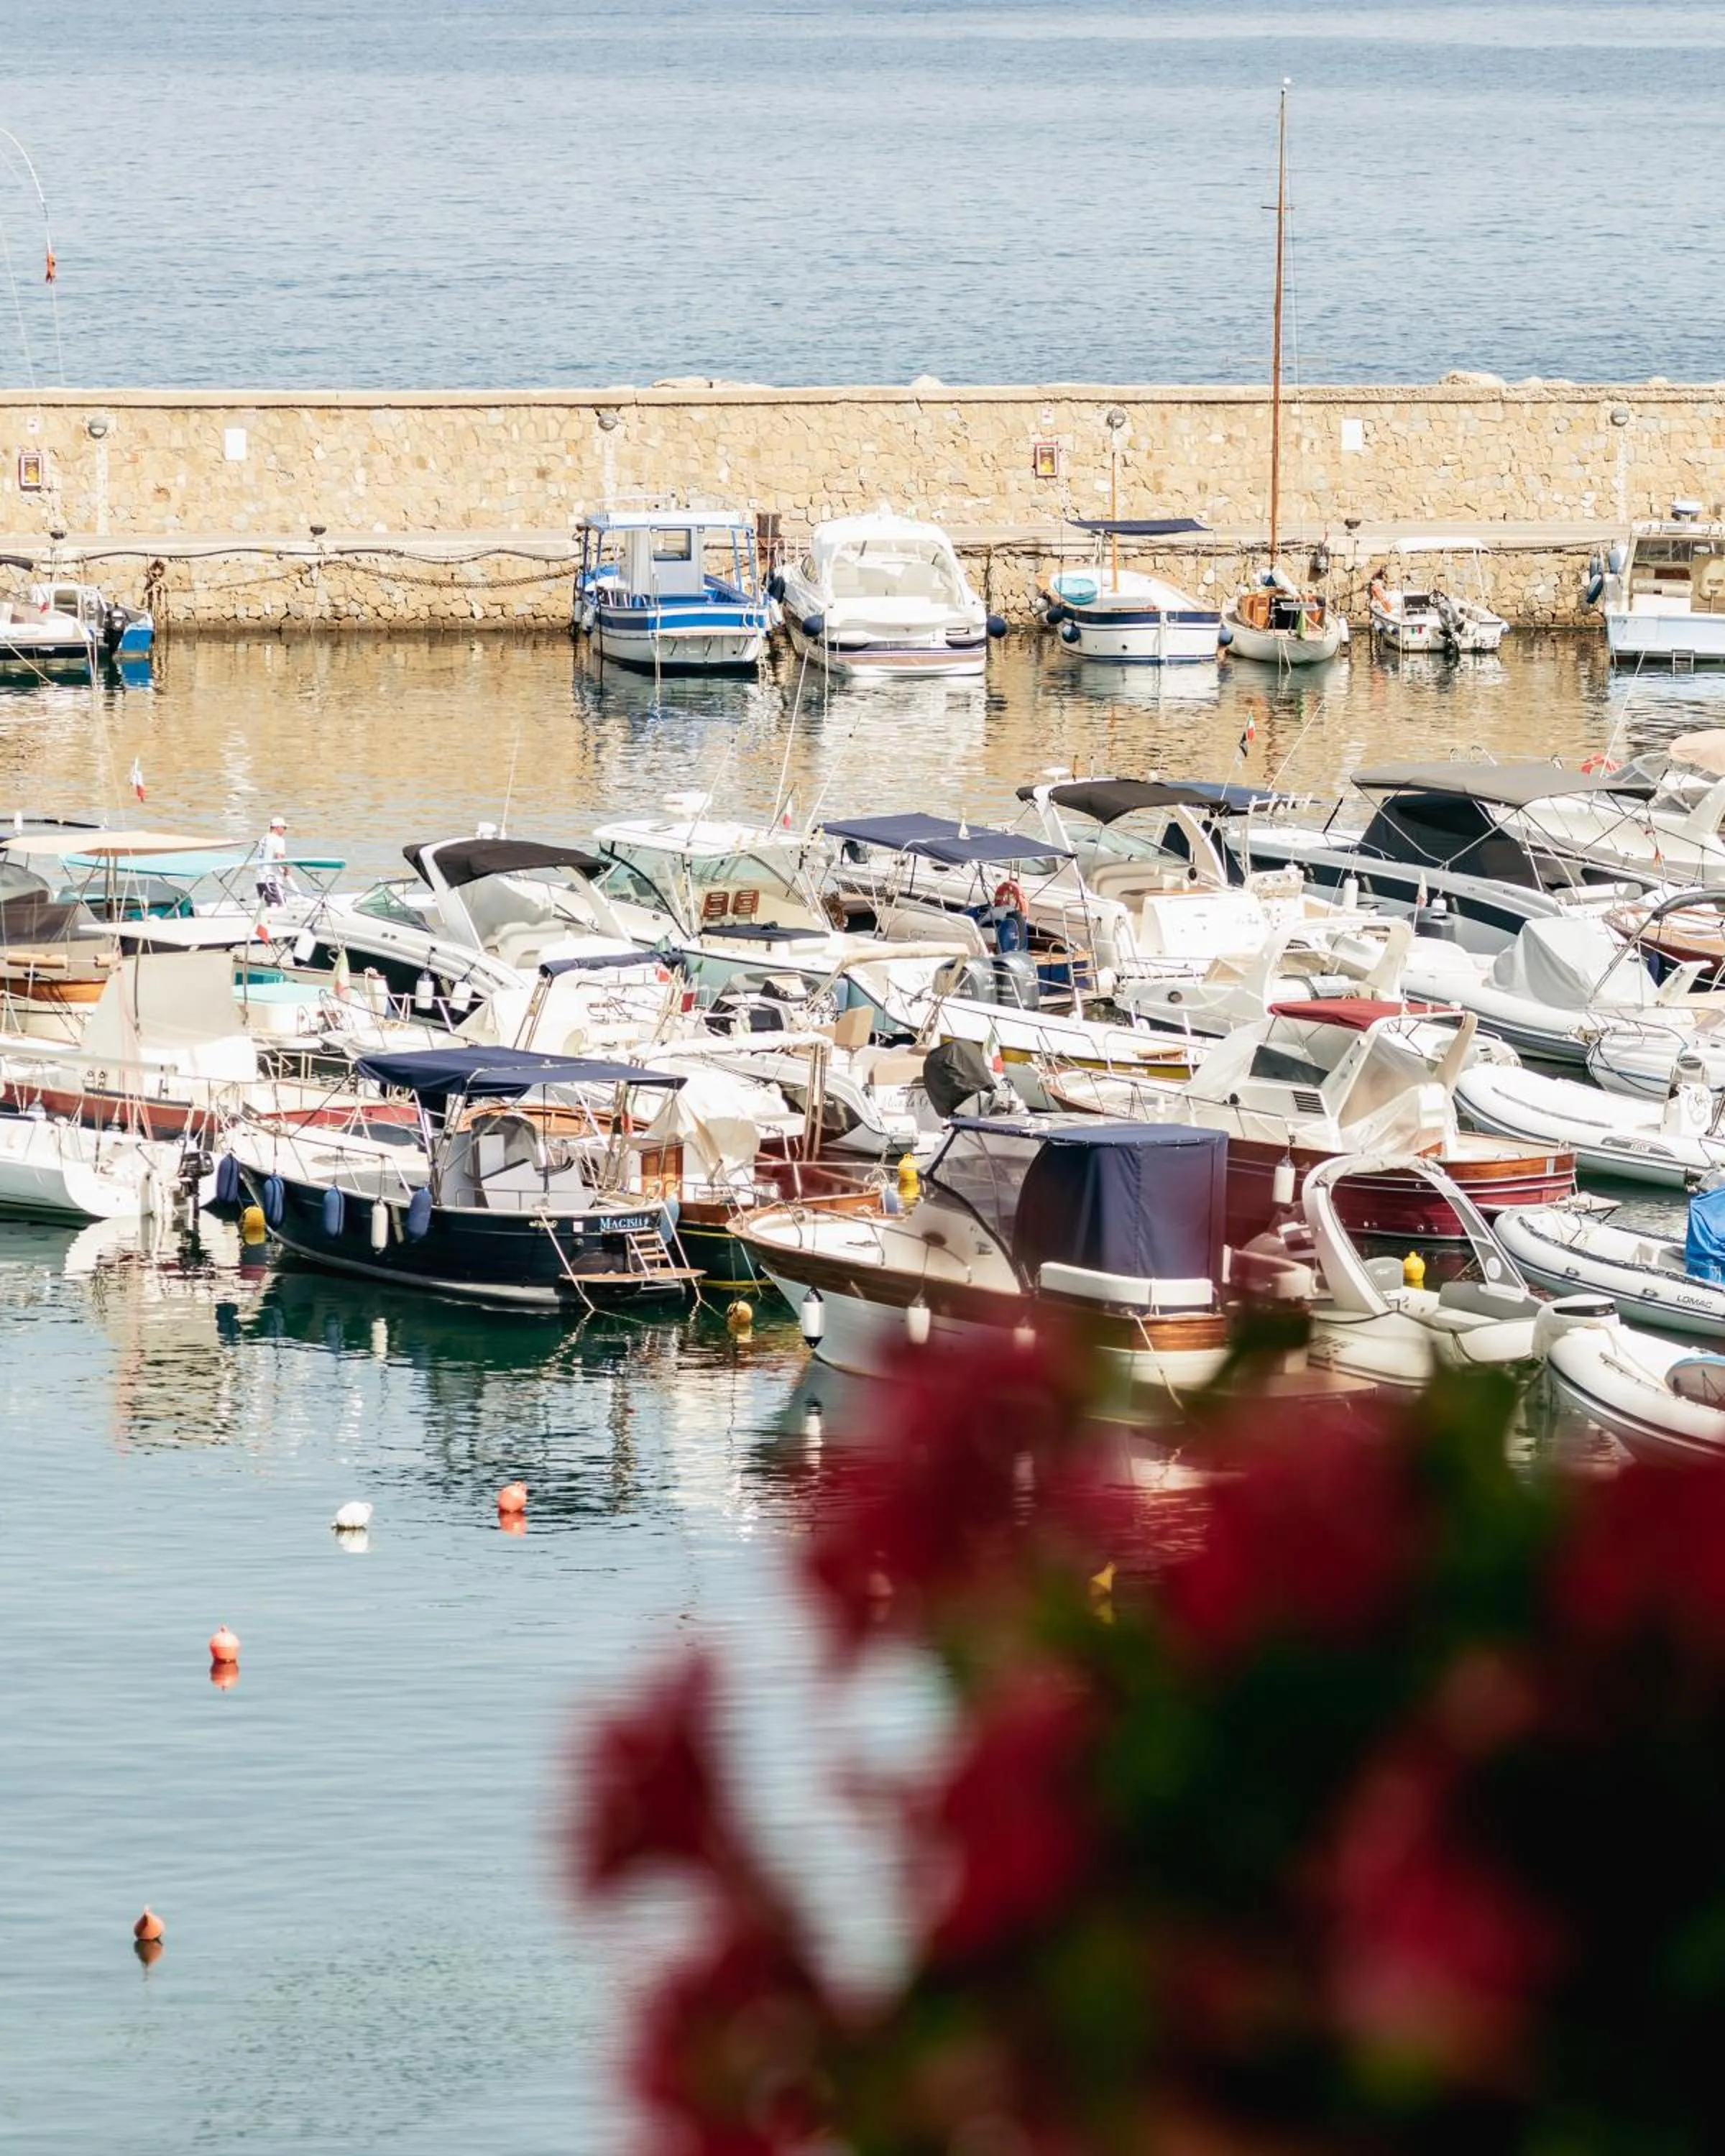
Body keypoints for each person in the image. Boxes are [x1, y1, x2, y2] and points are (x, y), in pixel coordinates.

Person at [257, 814, 293, 908]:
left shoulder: (264, 839)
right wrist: (286, 870)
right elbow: (279, 857)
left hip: (260, 879)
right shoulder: (278, 840)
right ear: (278, 827)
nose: (284, 830)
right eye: (284, 828)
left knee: (268, 906)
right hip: (272, 879)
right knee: (281, 905)